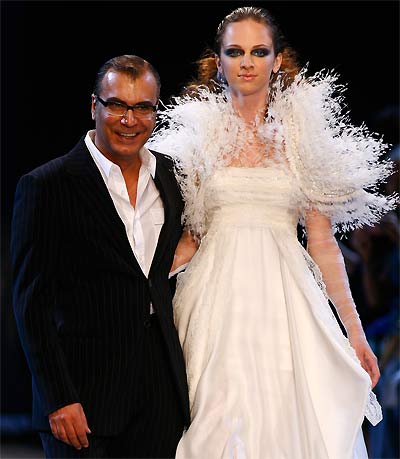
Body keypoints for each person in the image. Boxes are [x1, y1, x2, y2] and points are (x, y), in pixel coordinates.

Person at [148, 6, 398, 458]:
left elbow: (322, 245)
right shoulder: (197, 136)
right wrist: (141, 292)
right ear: (219, 61)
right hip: (214, 302)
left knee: (288, 424)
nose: (247, 62)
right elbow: (188, 238)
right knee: (215, 421)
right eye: (236, 51)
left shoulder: (301, 137)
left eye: (258, 51)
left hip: (286, 303)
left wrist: (355, 334)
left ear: (277, 59)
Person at [10, 54, 193, 458]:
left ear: (155, 112)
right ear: (95, 106)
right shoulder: (47, 185)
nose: (130, 119)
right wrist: (58, 398)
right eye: (117, 105)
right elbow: (31, 305)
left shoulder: (172, 177)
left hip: (159, 397)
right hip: (82, 399)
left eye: (143, 107)